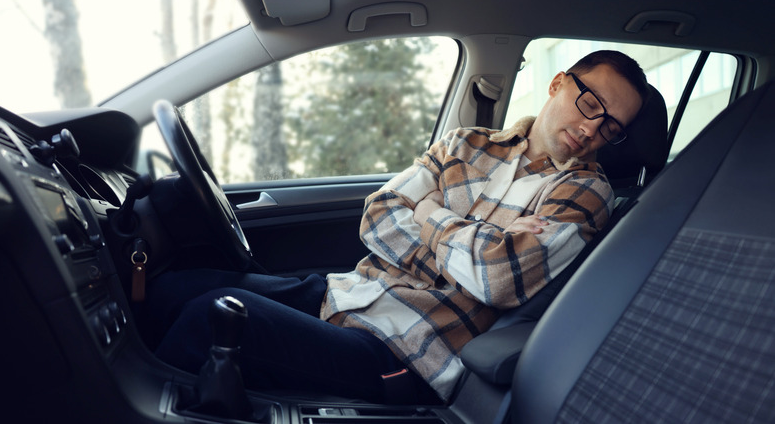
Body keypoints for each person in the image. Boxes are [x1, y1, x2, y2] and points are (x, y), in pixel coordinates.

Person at [146, 50, 649, 404]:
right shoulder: (466, 142)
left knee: (210, 317)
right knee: (171, 288)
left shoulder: (587, 193)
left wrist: (428, 213)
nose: (591, 129)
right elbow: (378, 212)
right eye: (590, 104)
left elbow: (496, 277)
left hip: (406, 351)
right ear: (558, 83)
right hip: (348, 293)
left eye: (611, 128)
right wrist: (470, 249)